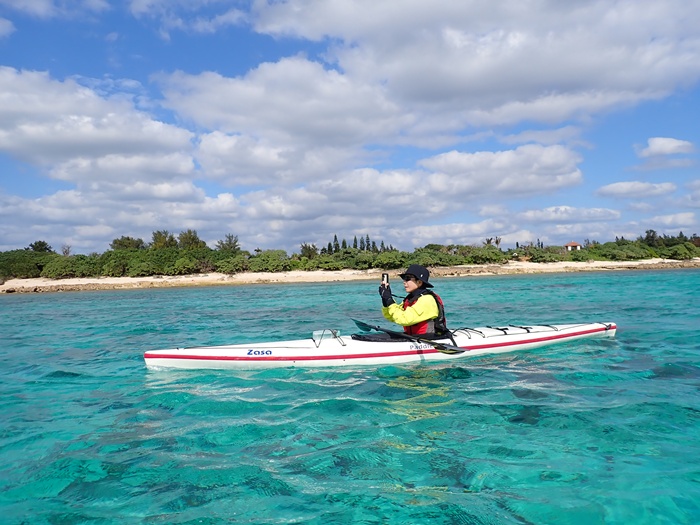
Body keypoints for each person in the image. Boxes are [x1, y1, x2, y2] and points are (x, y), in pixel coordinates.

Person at [378, 264, 448, 337]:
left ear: (419, 282)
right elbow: (392, 317)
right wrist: (385, 300)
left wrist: (389, 299)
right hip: (414, 337)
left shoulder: (427, 300)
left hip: (429, 339)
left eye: (408, 278)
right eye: (404, 278)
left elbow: (404, 319)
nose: (404, 281)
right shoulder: (411, 298)